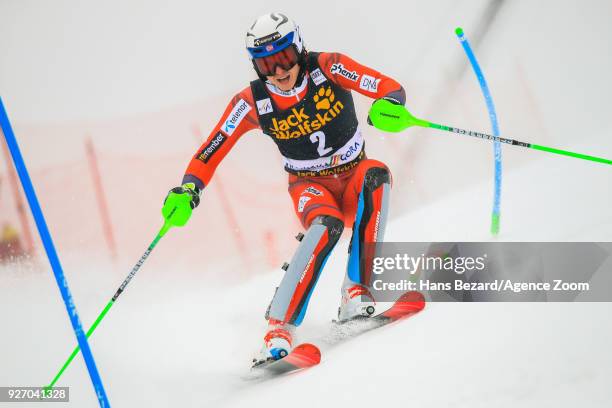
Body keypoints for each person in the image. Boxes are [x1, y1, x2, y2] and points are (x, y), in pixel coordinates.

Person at [162, 12, 407, 363]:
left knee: (377, 175)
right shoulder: (252, 102)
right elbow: (213, 146)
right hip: (310, 186)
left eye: (284, 58)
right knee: (327, 227)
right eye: (266, 64)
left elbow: (386, 85)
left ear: (299, 48)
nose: (278, 71)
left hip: (354, 177)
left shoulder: (330, 67)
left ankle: (356, 293)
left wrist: (390, 103)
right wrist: (188, 189)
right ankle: (279, 329)